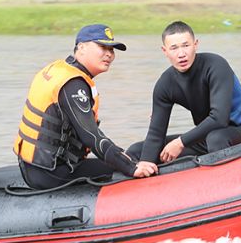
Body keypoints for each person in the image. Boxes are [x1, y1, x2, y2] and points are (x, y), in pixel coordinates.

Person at [14, 24, 159, 190]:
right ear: (81, 47)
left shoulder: (59, 69)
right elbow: (90, 135)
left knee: (125, 156)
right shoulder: (73, 84)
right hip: (51, 174)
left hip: (34, 166)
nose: (109, 54)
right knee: (122, 168)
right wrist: (131, 167)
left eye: (112, 50)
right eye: (102, 47)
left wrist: (120, 155)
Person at [137, 21, 241, 164]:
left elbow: (219, 118)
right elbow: (156, 134)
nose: (181, 54)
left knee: (216, 138)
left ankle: (224, 183)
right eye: (174, 48)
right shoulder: (165, 84)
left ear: (195, 44)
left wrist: (180, 142)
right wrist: (146, 162)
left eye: (186, 45)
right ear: (165, 51)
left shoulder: (216, 65)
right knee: (137, 150)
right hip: (206, 137)